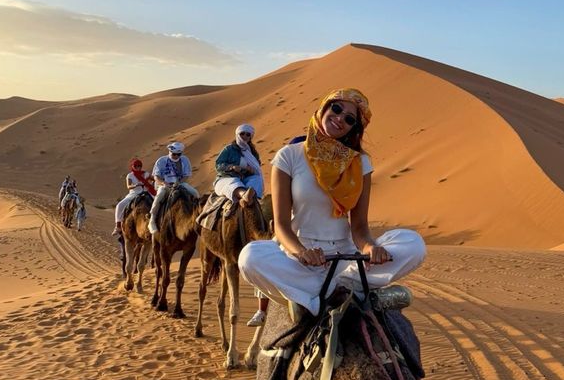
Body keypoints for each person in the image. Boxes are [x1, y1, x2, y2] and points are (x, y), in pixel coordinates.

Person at [239, 88, 425, 317]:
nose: (339, 119)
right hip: (300, 258)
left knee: (413, 243)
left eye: (349, 119)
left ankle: (325, 293)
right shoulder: (289, 156)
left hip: (345, 258)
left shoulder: (359, 163)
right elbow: (281, 226)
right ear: (324, 108)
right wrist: (302, 253)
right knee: (249, 257)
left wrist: (370, 248)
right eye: (336, 109)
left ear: (353, 128)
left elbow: (359, 228)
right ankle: (347, 294)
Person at [148, 141, 198, 234]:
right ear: (170, 152)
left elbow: (186, 175)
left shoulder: (184, 160)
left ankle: (198, 216)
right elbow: (156, 176)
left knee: (195, 193)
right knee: (160, 195)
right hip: (164, 184)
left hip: (179, 184)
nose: (176, 156)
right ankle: (152, 219)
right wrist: (163, 183)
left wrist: (179, 182)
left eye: (178, 154)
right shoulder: (161, 161)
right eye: (174, 154)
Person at [213, 124, 264, 208]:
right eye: (242, 133)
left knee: (257, 179)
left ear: (250, 137)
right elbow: (218, 165)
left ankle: (251, 197)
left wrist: (250, 170)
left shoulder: (252, 153)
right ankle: (244, 195)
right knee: (234, 182)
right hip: (226, 178)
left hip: (244, 179)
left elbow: (257, 167)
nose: (245, 136)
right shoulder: (229, 149)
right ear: (237, 135)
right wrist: (231, 167)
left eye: (248, 134)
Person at [112, 158, 156, 238]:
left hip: (146, 193)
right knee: (119, 205)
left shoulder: (146, 174)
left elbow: (155, 179)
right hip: (134, 193)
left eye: (139, 166)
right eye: (136, 166)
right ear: (133, 166)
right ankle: (118, 226)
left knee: (159, 203)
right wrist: (135, 185)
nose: (138, 168)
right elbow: (128, 186)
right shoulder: (130, 175)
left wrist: (155, 181)